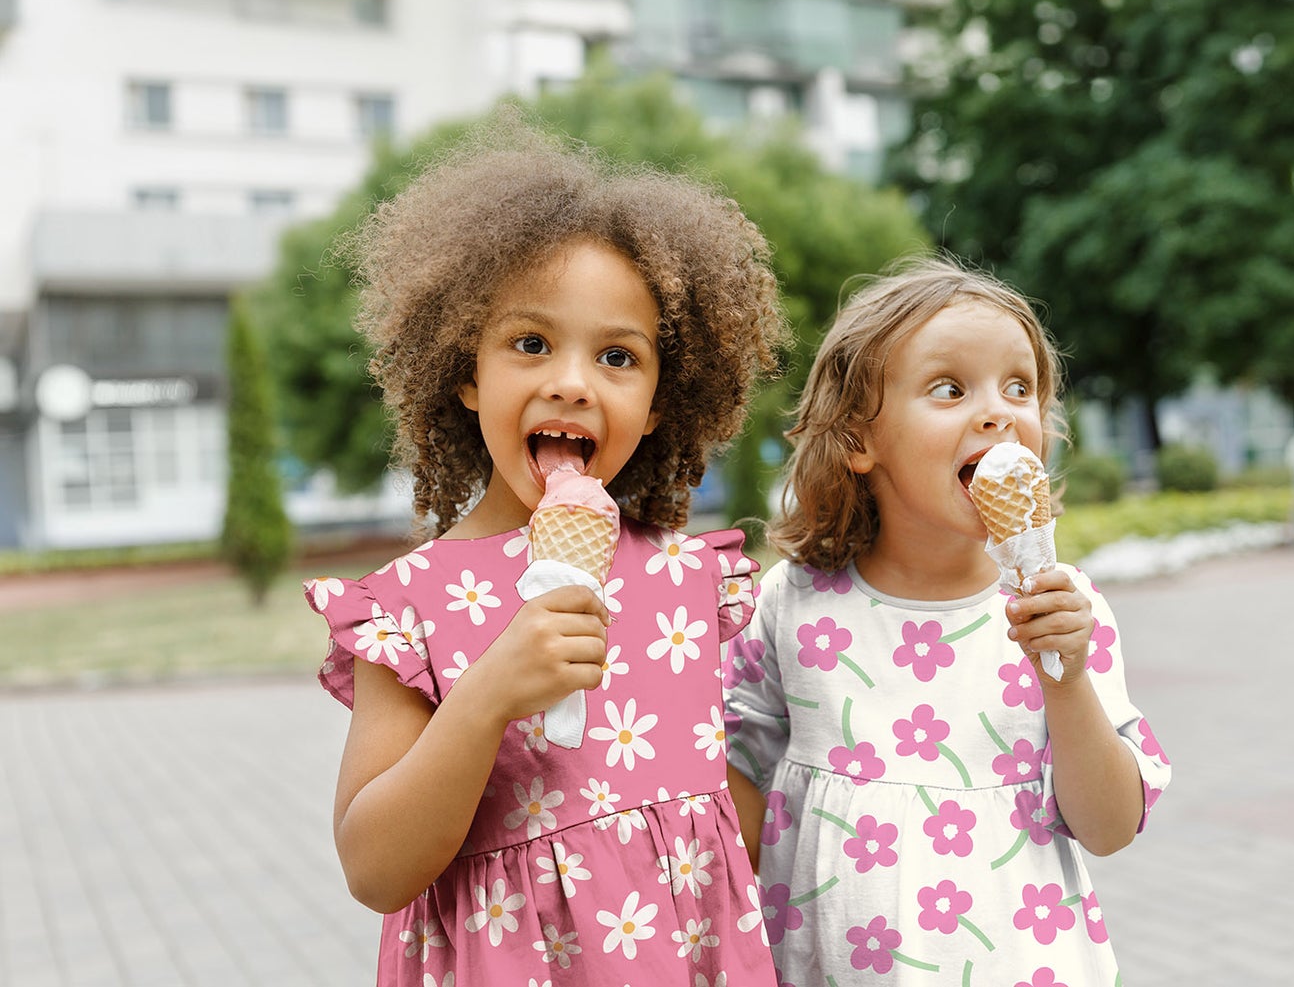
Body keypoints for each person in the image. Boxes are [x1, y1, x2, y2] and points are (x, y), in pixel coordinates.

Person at [305, 126, 787, 986]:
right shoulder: (406, 610)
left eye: (617, 356)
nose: (573, 381)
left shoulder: (695, 583)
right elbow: (375, 869)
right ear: (467, 372)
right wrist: (489, 693)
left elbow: (726, 827)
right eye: (530, 343)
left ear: (654, 403)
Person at [723, 256, 1170, 987]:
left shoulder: (1068, 611)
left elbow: (1109, 826)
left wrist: (1064, 677)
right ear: (859, 438)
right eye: (948, 387)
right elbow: (733, 792)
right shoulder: (794, 602)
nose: (997, 411)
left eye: (1019, 387)